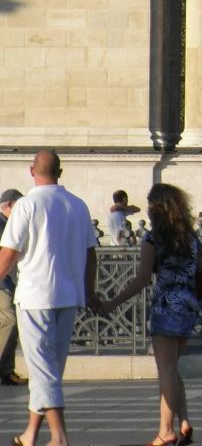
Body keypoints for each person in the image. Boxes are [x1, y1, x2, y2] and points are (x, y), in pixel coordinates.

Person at [0, 150, 98, 446]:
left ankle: (59, 437)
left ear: (32, 171)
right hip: (68, 297)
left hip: (35, 297)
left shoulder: (26, 205)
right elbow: (91, 255)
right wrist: (89, 292)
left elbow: (8, 253)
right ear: (60, 172)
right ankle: (30, 434)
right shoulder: (78, 205)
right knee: (50, 370)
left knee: (43, 372)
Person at [100, 184, 200, 445]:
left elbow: (142, 279)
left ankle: (166, 432)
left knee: (165, 370)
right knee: (172, 367)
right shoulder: (190, 238)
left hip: (166, 307)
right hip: (189, 305)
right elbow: (198, 269)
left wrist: (114, 302)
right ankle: (184, 422)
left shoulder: (153, 240)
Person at [0, 188, 26, 387]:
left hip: (8, 281)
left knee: (13, 322)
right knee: (10, 320)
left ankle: (7, 371)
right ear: (8, 205)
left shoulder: (8, 223)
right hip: (2, 282)